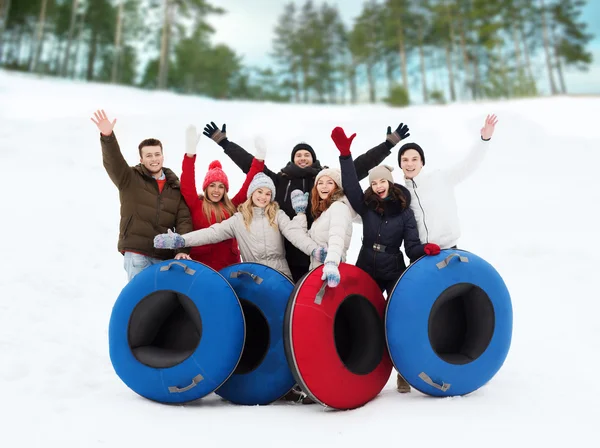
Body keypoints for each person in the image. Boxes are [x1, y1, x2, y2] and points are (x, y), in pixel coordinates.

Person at [201, 121, 409, 282]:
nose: (302, 157)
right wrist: (224, 143)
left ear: (313, 159)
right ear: (292, 160)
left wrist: (388, 144)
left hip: (318, 252)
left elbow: (358, 167)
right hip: (288, 252)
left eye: (306, 154)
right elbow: (250, 165)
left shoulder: (324, 179)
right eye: (298, 155)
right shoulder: (280, 180)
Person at [153, 170, 324, 281]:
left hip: (280, 275)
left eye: (268, 194)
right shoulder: (239, 220)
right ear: (251, 194)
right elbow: (212, 233)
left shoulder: (277, 215)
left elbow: (295, 235)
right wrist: (181, 241)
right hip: (254, 277)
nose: (263, 197)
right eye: (259, 192)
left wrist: (313, 250)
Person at [332, 126, 439, 295]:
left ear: (390, 182)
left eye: (382, 181)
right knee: (361, 306)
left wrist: (424, 249)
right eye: (374, 183)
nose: (378, 186)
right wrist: (345, 155)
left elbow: (411, 247)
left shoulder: (405, 212)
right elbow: (351, 186)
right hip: (366, 266)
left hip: (392, 270)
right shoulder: (367, 206)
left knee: (398, 304)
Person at [90, 109, 193, 281]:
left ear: (163, 156)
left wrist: (182, 250)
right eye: (149, 155)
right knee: (140, 299)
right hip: (137, 252)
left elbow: (184, 221)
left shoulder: (174, 187)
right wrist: (107, 136)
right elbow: (113, 161)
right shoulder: (129, 179)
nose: (154, 159)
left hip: (164, 256)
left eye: (157, 154)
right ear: (141, 159)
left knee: (161, 301)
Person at [398, 114, 498, 251]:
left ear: (422, 162)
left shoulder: (440, 178)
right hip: (422, 255)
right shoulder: (402, 195)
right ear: (400, 164)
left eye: (414, 159)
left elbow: (468, 164)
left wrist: (484, 140)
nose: (410, 164)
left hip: (449, 250)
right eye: (405, 160)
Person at [180, 126, 265, 271]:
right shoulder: (196, 204)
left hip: (228, 268)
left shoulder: (233, 206)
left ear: (225, 190)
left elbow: (249, 184)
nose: (216, 190)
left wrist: (259, 158)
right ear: (206, 188)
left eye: (221, 187)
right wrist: (190, 154)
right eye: (212, 185)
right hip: (201, 268)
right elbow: (187, 182)